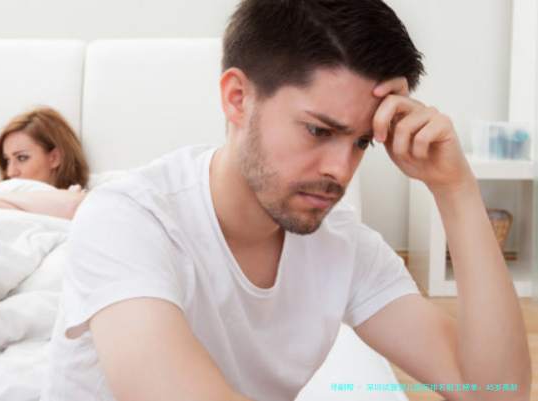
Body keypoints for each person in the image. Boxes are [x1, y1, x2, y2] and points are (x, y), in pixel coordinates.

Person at [43, 0, 532, 400]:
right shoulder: (127, 220)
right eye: (319, 130)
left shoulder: (343, 246)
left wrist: (455, 188)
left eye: (362, 141)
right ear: (238, 98)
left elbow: (497, 393)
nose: (341, 170)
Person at [0, 107, 89, 220]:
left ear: (55, 158)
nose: (10, 172)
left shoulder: (86, 193)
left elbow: (72, 205)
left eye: (21, 158)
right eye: (7, 160)